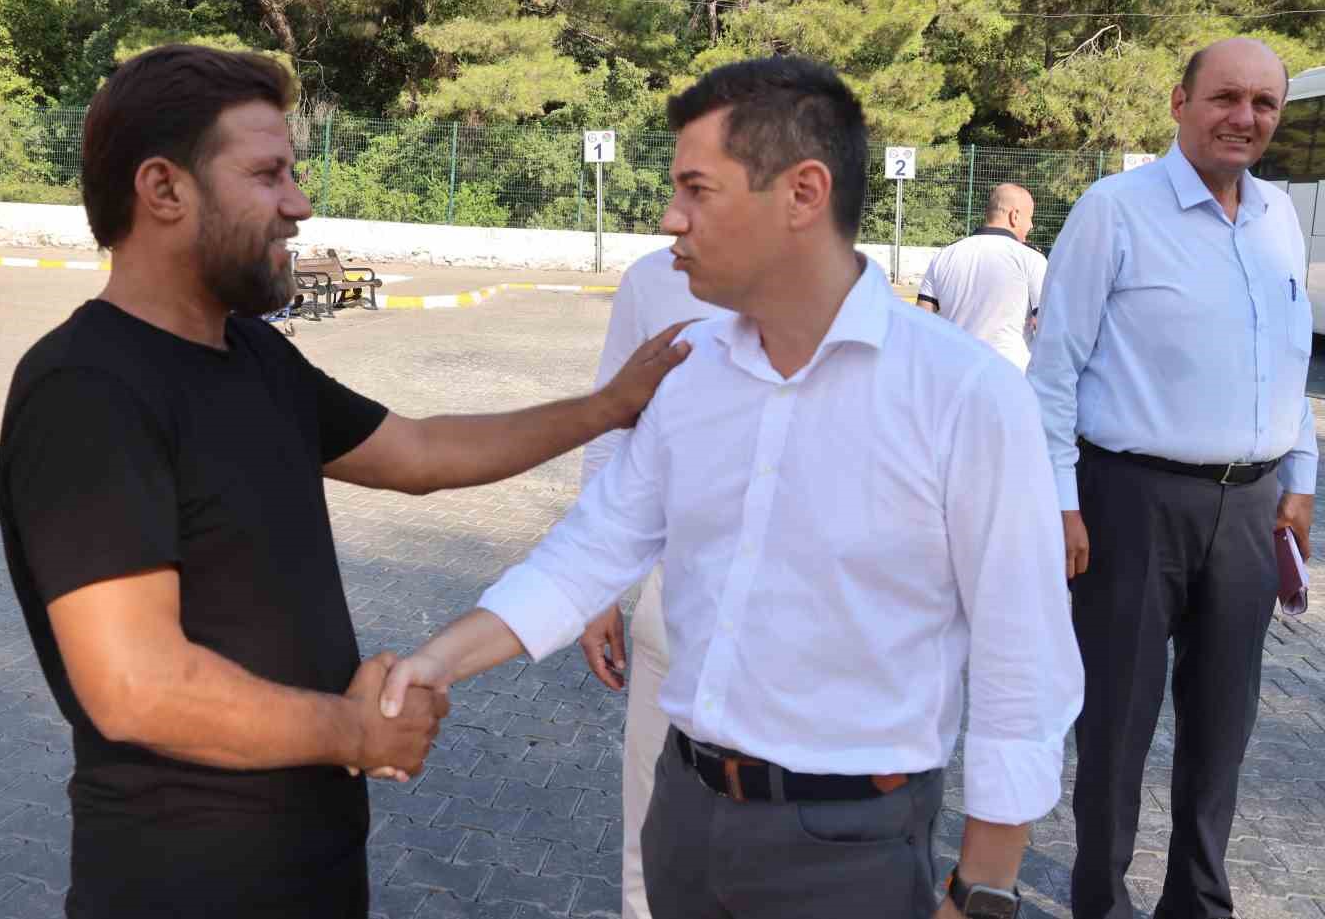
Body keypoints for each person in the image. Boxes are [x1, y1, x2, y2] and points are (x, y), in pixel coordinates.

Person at [0, 44, 691, 919]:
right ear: (163, 189)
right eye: (268, 174)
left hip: (310, 861)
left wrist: (605, 408)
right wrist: (355, 731)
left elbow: (421, 452)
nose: (300, 203)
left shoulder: (253, 355)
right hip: (183, 880)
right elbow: (137, 684)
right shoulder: (86, 390)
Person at [381, 55, 1085, 919]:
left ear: (803, 193)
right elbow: (586, 553)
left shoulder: (967, 396)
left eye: (697, 189)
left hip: (848, 851)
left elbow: (1024, 661)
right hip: (684, 818)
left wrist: (980, 894)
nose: (670, 217)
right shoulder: (692, 374)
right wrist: (435, 661)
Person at [1028, 37, 1317, 919]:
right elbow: (1053, 374)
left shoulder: (1278, 217)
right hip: (1130, 500)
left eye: (1264, 103)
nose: (1246, 118)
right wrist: (1061, 502)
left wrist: (1301, 477)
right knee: (1116, 721)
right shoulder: (1115, 211)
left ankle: (1198, 901)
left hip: (1252, 506)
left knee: (1225, 723)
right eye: (1226, 97)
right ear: (1180, 103)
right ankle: (1102, 900)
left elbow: (1288, 358)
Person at [576, 248, 722, 919]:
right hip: (669, 608)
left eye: (698, 195)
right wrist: (596, 587)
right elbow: (610, 430)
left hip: (791, 639)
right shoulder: (653, 280)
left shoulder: (831, 293)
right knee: (649, 834)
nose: (673, 215)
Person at [916, 183, 1046, 369]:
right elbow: (1047, 326)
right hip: (1009, 375)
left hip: (953, 373)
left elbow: (921, 322)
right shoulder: (1031, 259)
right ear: (1015, 216)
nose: (1031, 225)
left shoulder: (944, 256)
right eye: (1030, 218)